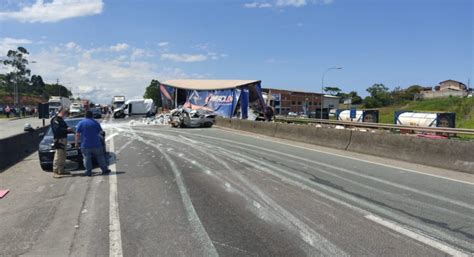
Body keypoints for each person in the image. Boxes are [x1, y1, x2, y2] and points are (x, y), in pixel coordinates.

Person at [75, 111, 111, 176]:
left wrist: (76, 143)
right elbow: (100, 131)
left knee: (86, 159)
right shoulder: (95, 122)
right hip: (96, 144)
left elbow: (77, 134)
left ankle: (88, 172)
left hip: (85, 144)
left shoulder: (81, 123)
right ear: (92, 116)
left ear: (85, 116)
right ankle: (104, 170)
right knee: (100, 157)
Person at [51, 107, 72, 178]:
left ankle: (61, 170)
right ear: (63, 113)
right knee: (58, 156)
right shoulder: (55, 119)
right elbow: (57, 130)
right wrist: (66, 130)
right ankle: (55, 171)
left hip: (64, 138)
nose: (66, 116)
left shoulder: (61, 120)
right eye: (66, 114)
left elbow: (65, 128)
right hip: (59, 139)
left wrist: (70, 130)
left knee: (63, 155)